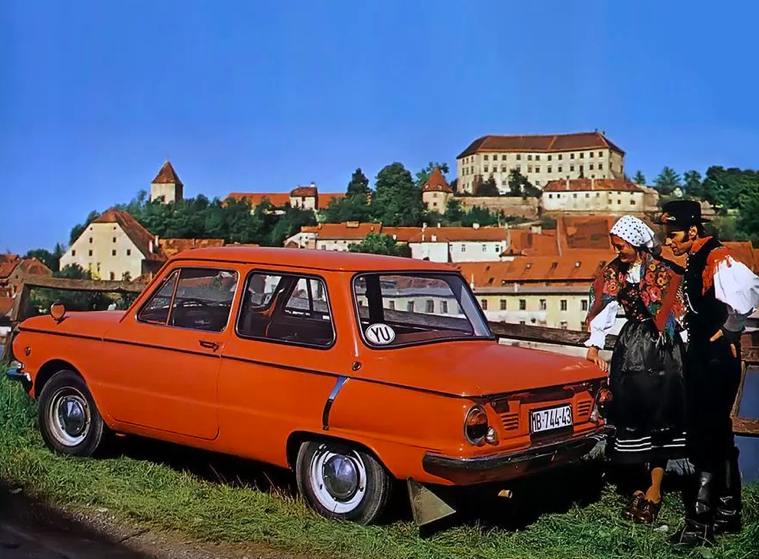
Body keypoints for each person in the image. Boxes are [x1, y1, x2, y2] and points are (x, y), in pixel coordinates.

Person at [661, 200, 759, 547]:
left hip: (716, 360)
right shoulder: (698, 257)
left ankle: (700, 522)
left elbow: (749, 290)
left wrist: (731, 328)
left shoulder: (716, 256)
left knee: (705, 436)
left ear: (692, 230)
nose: (669, 241)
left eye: (673, 235)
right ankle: (729, 512)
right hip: (705, 357)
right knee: (718, 434)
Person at [584, 215, 687, 524]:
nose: (618, 251)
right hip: (632, 350)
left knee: (661, 417)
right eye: (616, 246)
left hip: (665, 350)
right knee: (633, 414)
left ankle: (654, 490)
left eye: (622, 246)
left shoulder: (663, 271)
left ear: (636, 243)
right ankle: (638, 487)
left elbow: (678, 315)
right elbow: (603, 307)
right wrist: (594, 346)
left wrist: (688, 349)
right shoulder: (614, 272)